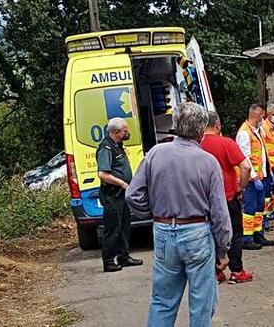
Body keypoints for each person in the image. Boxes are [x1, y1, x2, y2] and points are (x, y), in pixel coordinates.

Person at [126, 102, 232, 327]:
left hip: (163, 232)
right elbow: (220, 213)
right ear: (202, 130)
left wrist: (155, 212)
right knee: (202, 301)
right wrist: (223, 250)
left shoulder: (155, 154)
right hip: (197, 233)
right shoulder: (208, 162)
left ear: (175, 125)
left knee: (163, 301)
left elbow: (132, 195)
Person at [200, 111, 254, 285]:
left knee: (210, 234)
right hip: (228, 197)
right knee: (235, 233)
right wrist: (241, 186)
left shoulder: (195, 144)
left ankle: (216, 272)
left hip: (204, 199)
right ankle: (237, 271)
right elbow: (245, 166)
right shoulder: (226, 143)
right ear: (218, 125)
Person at [96, 117, 143, 272]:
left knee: (124, 227)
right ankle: (108, 261)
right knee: (112, 229)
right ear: (116, 132)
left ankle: (124, 256)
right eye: (125, 131)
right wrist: (123, 184)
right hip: (112, 195)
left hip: (122, 195)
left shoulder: (117, 146)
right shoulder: (106, 148)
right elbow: (103, 174)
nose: (127, 133)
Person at [235, 105, 274, 248]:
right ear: (257, 116)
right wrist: (254, 177)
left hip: (261, 176)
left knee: (259, 208)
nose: (263, 120)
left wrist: (266, 173)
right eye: (262, 117)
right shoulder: (244, 133)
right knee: (250, 209)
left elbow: (261, 155)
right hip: (251, 179)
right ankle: (247, 238)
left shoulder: (256, 131)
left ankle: (258, 234)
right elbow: (245, 158)